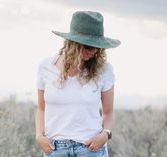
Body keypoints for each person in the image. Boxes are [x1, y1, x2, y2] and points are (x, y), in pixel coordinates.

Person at [35, 11, 120, 157]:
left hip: (91, 149)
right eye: (88, 46)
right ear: (73, 43)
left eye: (97, 47)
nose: (94, 51)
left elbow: (108, 112)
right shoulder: (46, 67)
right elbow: (41, 109)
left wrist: (105, 135)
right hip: (55, 149)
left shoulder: (104, 70)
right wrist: (39, 135)